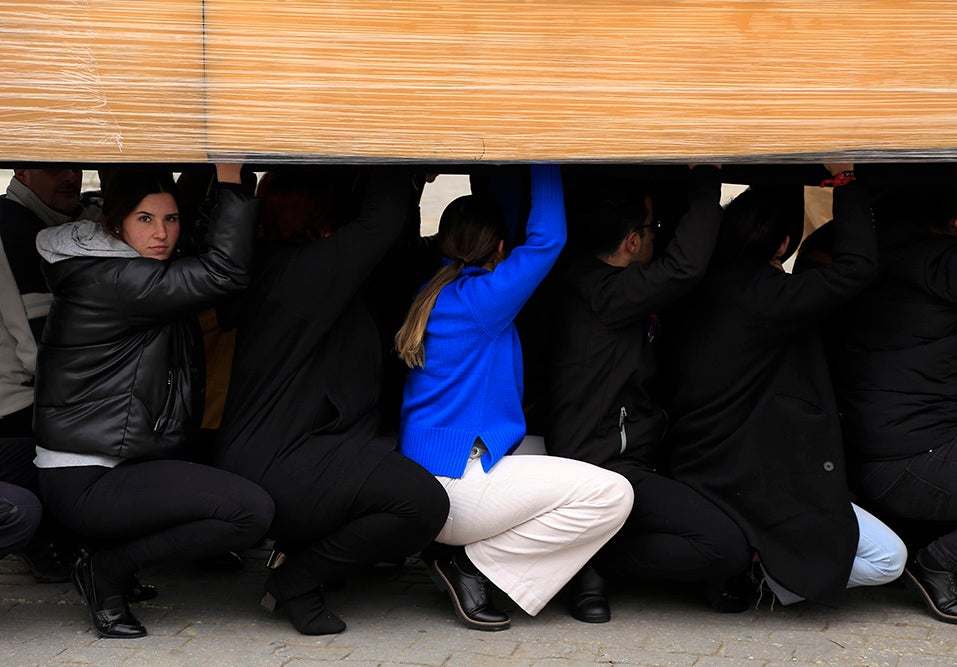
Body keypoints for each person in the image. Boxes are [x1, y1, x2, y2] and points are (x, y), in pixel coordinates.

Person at [32, 165, 275, 639]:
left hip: (119, 463)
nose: (161, 234)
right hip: (87, 477)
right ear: (115, 223)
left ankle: (115, 562)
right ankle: (105, 569)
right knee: (249, 512)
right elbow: (223, 271)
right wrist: (228, 180)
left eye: (171, 219)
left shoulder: (119, 265)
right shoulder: (118, 280)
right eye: (145, 219)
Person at [396, 164, 634, 631]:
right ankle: (473, 565)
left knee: (561, 451)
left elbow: (503, 228)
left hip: (427, 476)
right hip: (456, 490)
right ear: (502, 249)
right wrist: (542, 153)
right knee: (613, 494)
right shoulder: (483, 300)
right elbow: (547, 239)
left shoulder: (432, 291)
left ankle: (472, 557)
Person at [214, 166, 449, 636]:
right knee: (422, 504)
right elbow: (380, 222)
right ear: (323, 212)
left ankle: (301, 557)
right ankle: (297, 580)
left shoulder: (275, 263)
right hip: (278, 461)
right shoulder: (305, 271)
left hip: (276, 447)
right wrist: (390, 130)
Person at [662, 164, 906, 609]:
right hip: (767, 482)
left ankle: (757, 567)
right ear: (785, 244)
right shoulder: (769, 296)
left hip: (701, 469)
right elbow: (856, 268)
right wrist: (845, 182)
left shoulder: (690, 285)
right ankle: (770, 573)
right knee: (888, 559)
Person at [545, 166, 752, 620]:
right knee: (726, 549)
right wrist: (707, 177)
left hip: (625, 454)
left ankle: (589, 557)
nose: (660, 237)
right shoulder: (609, 293)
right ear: (632, 243)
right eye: (653, 229)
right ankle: (589, 560)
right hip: (604, 467)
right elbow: (685, 267)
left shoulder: (577, 277)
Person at [836, 183, 957, 625]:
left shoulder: (923, 259)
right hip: (909, 459)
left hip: (917, 446)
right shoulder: (933, 261)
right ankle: (941, 562)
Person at [0, 167, 87, 582]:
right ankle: (42, 541)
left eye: (75, 165)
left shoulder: (45, 223)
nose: (70, 176)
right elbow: (37, 344)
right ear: (20, 169)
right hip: (14, 403)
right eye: (53, 166)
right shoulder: (14, 230)